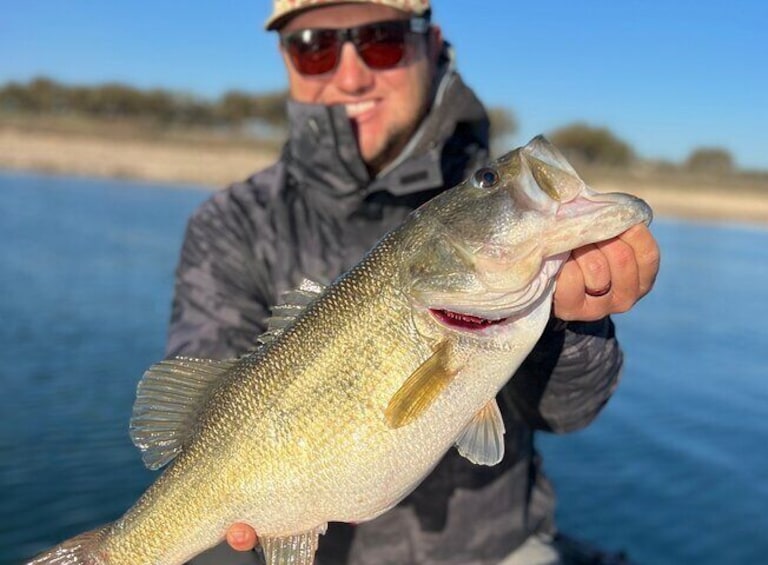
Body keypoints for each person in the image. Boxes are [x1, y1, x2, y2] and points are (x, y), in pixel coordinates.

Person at [168, 1, 660, 563]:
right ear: (285, 61)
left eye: (382, 40)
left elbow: (566, 414)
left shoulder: (479, 204)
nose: (350, 75)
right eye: (313, 48)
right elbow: (197, 421)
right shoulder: (231, 222)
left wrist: (570, 324)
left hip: (495, 547)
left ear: (431, 42)